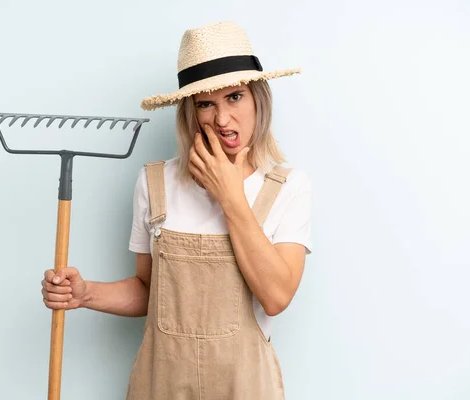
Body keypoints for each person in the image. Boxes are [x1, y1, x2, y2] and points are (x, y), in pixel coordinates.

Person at [41, 21, 312, 399]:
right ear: (190, 111)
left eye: (235, 97)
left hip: (246, 388)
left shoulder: (287, 187)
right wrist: (85, 294)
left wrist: (231, 196)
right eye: (206, 103)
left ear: (257, 99)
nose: (221, 119)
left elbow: (276, 297)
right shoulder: (155, 183)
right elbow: (149, 291)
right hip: (162, 385)